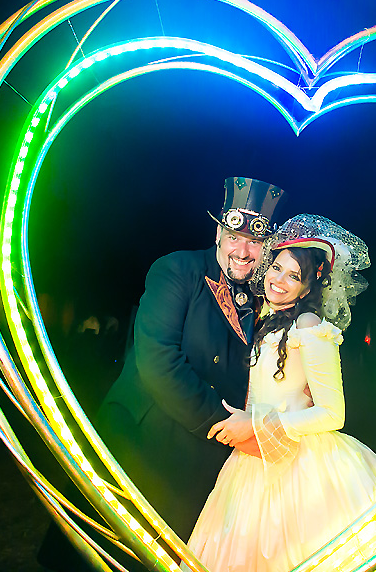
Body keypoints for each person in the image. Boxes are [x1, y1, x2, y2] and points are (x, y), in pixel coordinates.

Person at [39, 177, 288, 572]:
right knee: (106, 554)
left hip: (200, 456)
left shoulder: (267, 296)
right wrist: (228, 425)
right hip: (144, 439)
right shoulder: (177, 269)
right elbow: (158, 360)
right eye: (234, 235)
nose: (243, 250)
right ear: (218, 232)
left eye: (254, 242)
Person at [185, 214, 376, 572]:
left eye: (294, 275)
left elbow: (332, 413)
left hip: (302, 467)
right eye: (277, 268)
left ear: (308, 288)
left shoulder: (309, 325)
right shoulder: (265, 318)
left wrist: (258, 423)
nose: (279, 280)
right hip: (255, 460)